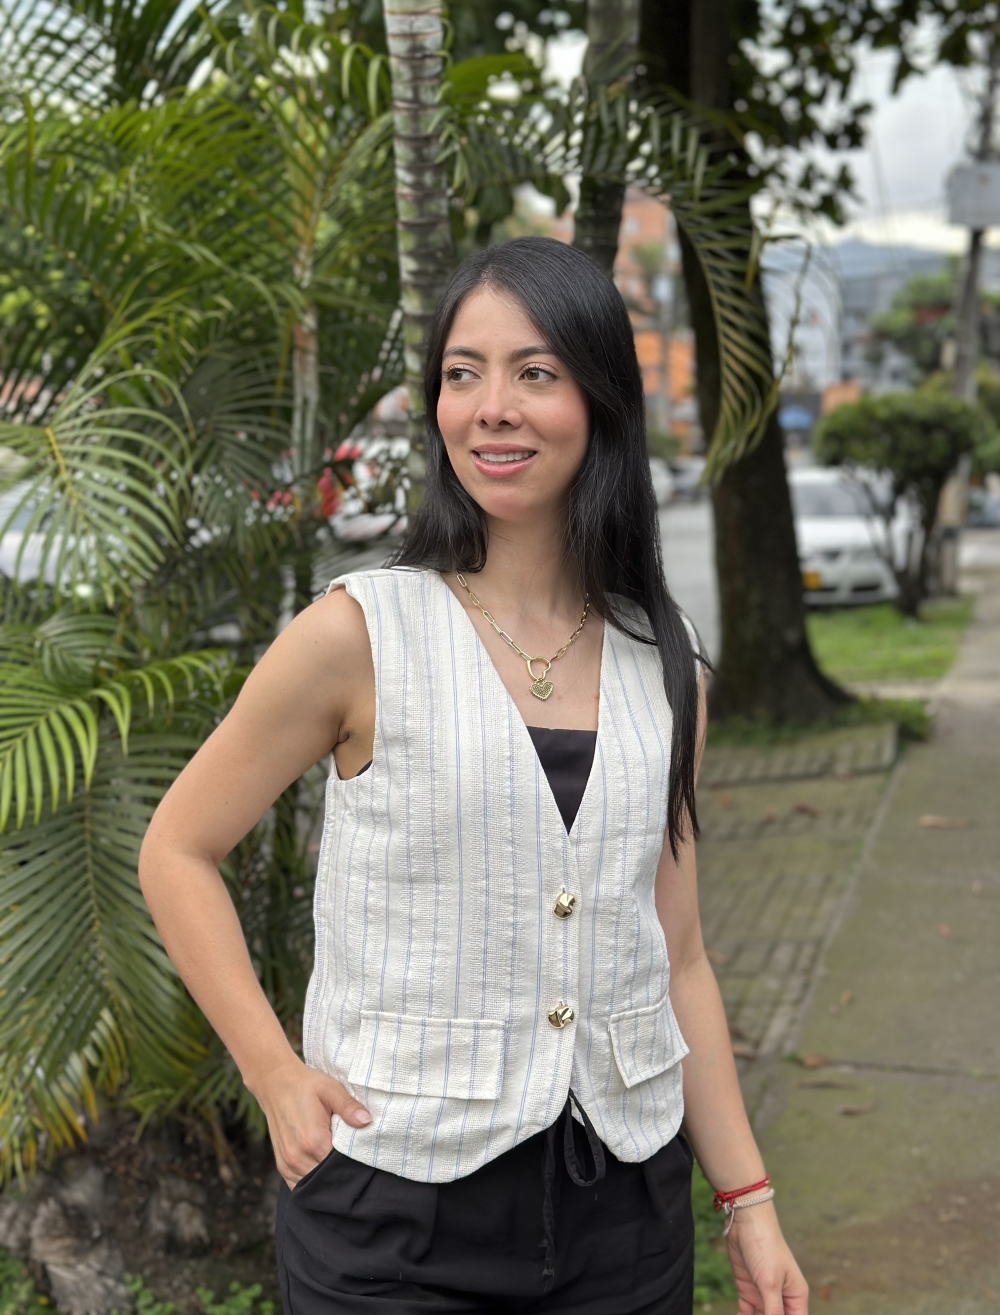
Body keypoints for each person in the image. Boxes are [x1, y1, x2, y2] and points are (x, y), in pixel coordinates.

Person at [139, 236, 809, 1315]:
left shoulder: (667, 659)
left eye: (534, 372)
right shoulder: (359, 633)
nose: (492, 408)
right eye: (464, 373)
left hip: (623, 1218)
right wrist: (273, 1071)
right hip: (394, 1221)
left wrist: (750, 1197)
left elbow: (676, 954)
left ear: (600, 401)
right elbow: (178, 848)